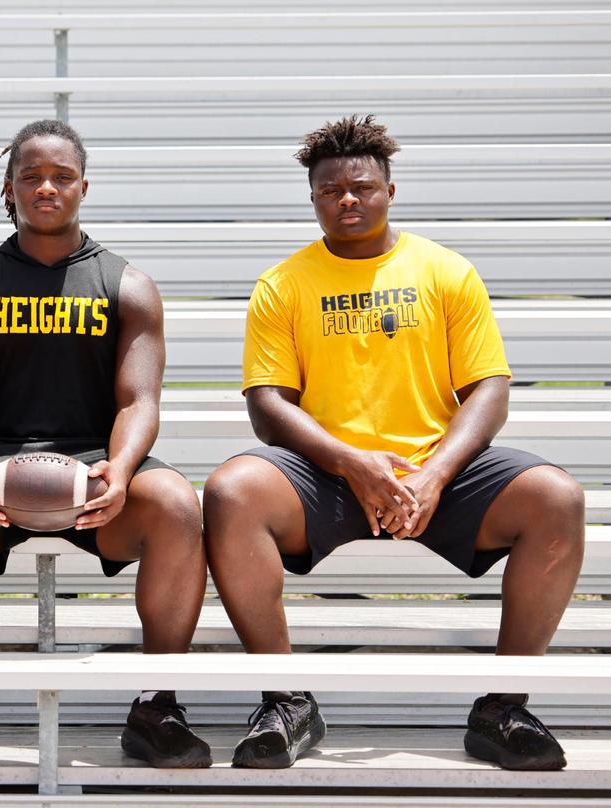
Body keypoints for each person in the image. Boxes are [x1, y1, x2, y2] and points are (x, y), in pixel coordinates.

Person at [203, 114, 585, 771]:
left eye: (361, 187)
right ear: (314, 200)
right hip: (326, 476)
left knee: (558, 497)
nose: (347, 199)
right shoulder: (284, 284)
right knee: (231, 491)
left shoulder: (445, 271)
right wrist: (352, 463)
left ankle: (505, 709)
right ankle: (286, 702)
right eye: (331, 191)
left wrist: (434, 474)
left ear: (390, 191)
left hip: (436, 475)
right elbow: (268, 408)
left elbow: (488, 389)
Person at [0, 120, 211, 769]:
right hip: (0, 462)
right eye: (31, 176)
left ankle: (157, 704)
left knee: (177, 503)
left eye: (61, 176)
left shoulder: (127, 284)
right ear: (7, 188)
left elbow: (138, 400)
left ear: (84, 187)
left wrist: (121, 470)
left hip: (98, 465)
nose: (46, 187)